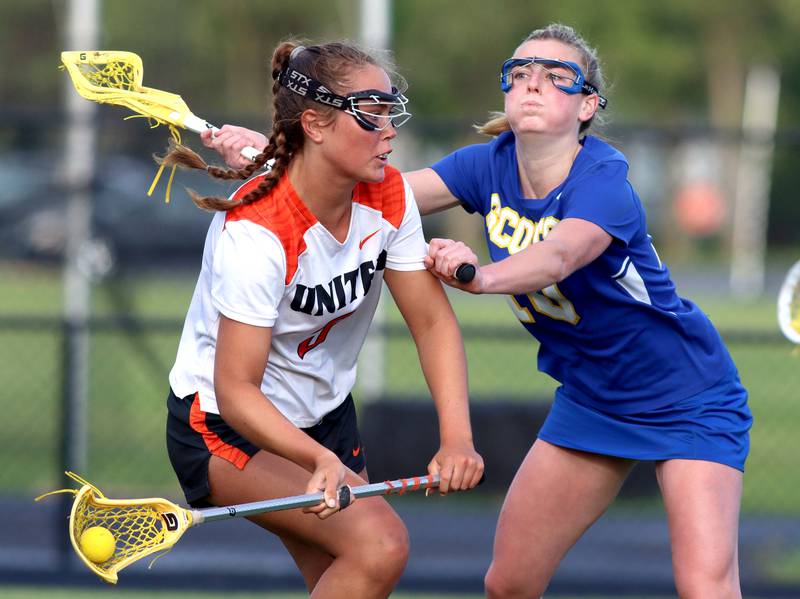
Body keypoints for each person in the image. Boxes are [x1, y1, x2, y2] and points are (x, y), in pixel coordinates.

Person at [206, 24, 752, 599]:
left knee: (704, 585)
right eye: (519, 74)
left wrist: (480, 275)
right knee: (509, 584)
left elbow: (560, 255)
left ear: (588, 105)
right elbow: (367, 192)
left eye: (556, 77)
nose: (533, 85)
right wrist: (278, 163)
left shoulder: (604, 181)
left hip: (687, 398)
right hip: (593, 400)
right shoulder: (485, 166)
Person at [163, 39, 483, 598]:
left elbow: (432, 324)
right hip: (225, 426)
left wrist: (457, 437)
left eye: (391, 112)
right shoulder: (255, 231)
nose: (389, 131)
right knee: (380, 545)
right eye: (370, 113)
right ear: (314, 123)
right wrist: (317, 458)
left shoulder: (389, 198)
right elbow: (236, 388)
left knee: (355, 578)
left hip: (326, 419)